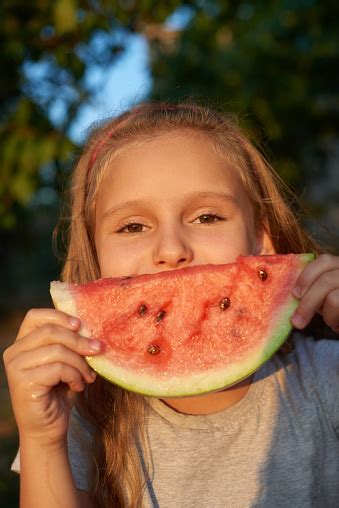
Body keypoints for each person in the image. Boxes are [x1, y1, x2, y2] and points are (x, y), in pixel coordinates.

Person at [4, 102, 339, 508]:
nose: (171, 249)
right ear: (96, 258)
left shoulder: (325, 378)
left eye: (207, 217)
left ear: (261, 244)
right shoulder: (85, 415)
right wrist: (41, 439)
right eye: (133, 226)